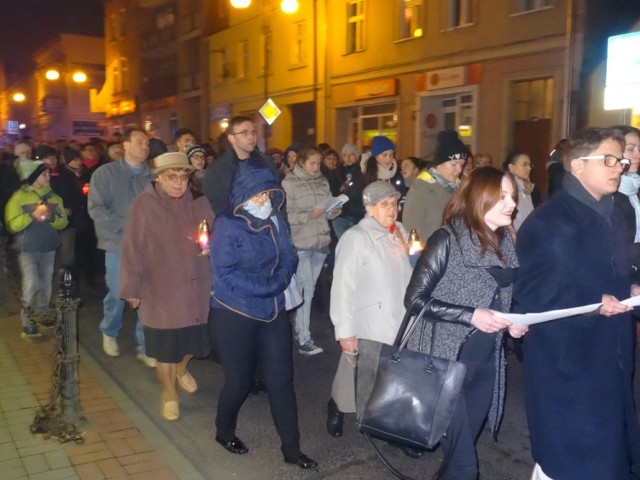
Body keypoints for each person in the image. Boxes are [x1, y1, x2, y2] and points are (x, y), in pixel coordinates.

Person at [513, 127, 640, 480]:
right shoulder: (547, 221)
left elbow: (618, 271)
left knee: (611, 453)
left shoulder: (615, 214)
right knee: (570, 460)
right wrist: (592, 302)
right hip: (567, 362)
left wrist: (632, 289)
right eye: (609, 160)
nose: (620, 167)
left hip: (611, 354)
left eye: (622, 160)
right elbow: (531, 287)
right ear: (578, 165)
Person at [404, 167, 526, 479]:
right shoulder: (447, 239)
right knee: (465, 466)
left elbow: (501, 299)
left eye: (512, 195)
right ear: (479, 199)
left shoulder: (507, 244)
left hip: (487, 365)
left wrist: (513, 323)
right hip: (446, 366)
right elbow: (415, 299)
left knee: (461, 452)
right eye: (501, 197)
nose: (511, 203)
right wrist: (470, 314)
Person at [209, 158, 317, 470]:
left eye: (268, 194)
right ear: (241, 195)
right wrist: (269, 285)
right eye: (257, 195)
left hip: (272, 311)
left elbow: (289, 256)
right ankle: (223, 430)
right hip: (234, 312)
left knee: (281, 381)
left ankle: (292, 450)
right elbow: (225, 274)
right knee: (240, 381)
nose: (264, 201)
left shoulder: (276, 218)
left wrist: (278, 282)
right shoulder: (227, 224)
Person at [120, 152, 214, 421]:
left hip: (197, 285)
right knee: (165, 348)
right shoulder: (144, 205)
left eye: (183, 176)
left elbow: (214, 233)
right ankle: (168, 393)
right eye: (171, 177)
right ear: (159, 178)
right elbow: (132, 249)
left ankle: (182, 369)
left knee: (194, 343)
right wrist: (131, 288)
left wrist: (211, 249)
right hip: (161, 289)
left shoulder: (199, 201)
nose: (178, 183)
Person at [327, 181, 413, 438]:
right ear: (369, 208)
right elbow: (342, 288)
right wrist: (345, 332)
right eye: (384, 204)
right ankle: (337, 406)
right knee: (353, 371)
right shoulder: (356, 238)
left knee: (391, 375)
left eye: (395, 203)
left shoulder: (399, 231)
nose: (392, 209)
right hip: (369, 321)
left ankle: (388, 425)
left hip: (399, 316)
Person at [88, 128, 157, 367]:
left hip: (148, 246)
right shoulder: (105, 174)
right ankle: (109, 331)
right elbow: (96, 209)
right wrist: (126, 225)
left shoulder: (153, 177)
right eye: (139, 142)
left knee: (147, 294)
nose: (145, 147)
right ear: (124, 146)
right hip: (117, 244)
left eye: (147, 143)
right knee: (119, 291)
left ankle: (145, 345)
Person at [282, 146, 339, 356]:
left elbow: (329, 211)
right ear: (302, 163)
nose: (316, 167)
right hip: (301, 243)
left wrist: (334, 209)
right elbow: (286, 215)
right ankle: (304, 338)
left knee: (308, 289)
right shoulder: (289, 183)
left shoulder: (322, 181)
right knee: (307, 289)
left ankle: (299, 329)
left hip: (321, 241)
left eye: (318, 163)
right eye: (312, 163)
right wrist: (310, 215)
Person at [4, 160, 68, 339]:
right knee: (31, 283)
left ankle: (43, 315)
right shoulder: (19, 197)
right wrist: (31, 216)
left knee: (46, 284)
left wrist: (51, 217)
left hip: (48, 248)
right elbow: (12, 225)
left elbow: (63, 222)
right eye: (44, 174)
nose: (49, 177)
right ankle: (28, 321)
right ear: (33, 178)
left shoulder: (54, 197)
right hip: (27, 249)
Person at [202, 115, 276, 216]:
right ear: (232, 138)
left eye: (253, 132)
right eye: (244, 133)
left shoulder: (266, 163)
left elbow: (276, 196)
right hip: (235, 227)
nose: (251, 137)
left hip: (267, 225)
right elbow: (215, 206)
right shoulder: (217, 170)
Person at [403, 130, 467, 241]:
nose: (459, 169)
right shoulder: (420, 190)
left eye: (462, 164)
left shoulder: (462, 187)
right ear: (439, 163)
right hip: (433, 254)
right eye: (453, 164)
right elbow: (411, 230)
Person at [613, 126, 640, 281]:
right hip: (621, 277)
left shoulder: (634, 188)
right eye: (631, 149)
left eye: (639, 149)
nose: (638, 155)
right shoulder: (608, 194)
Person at [330, 143, 365, 239]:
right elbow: (333, 193)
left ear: (357, 156)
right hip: (341, 216)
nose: (348, 158)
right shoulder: (337, 172)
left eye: (351, 154)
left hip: (358, 215)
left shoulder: (362, 172)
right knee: (343, 245)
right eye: (345, 155)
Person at [502, 151, 539, 230]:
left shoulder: (526, 185)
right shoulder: (507, 188)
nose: (529, 168)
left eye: (530, 164)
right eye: (524, 164)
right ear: (511, 167)